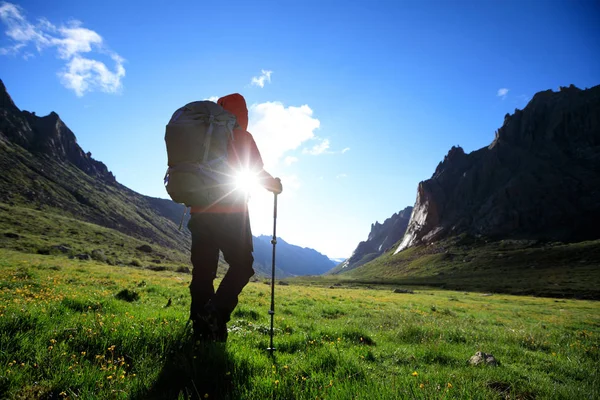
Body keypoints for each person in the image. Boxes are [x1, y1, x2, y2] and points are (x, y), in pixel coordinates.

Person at [188, 93, 282, 342]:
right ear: (243, 114)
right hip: (231, 212)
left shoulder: (201, 135)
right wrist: (274, 185)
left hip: (199, 212)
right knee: (242, 266)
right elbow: (255, 171)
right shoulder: (242, 135)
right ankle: (216, 314)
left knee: (203, 271)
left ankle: (201, 328)